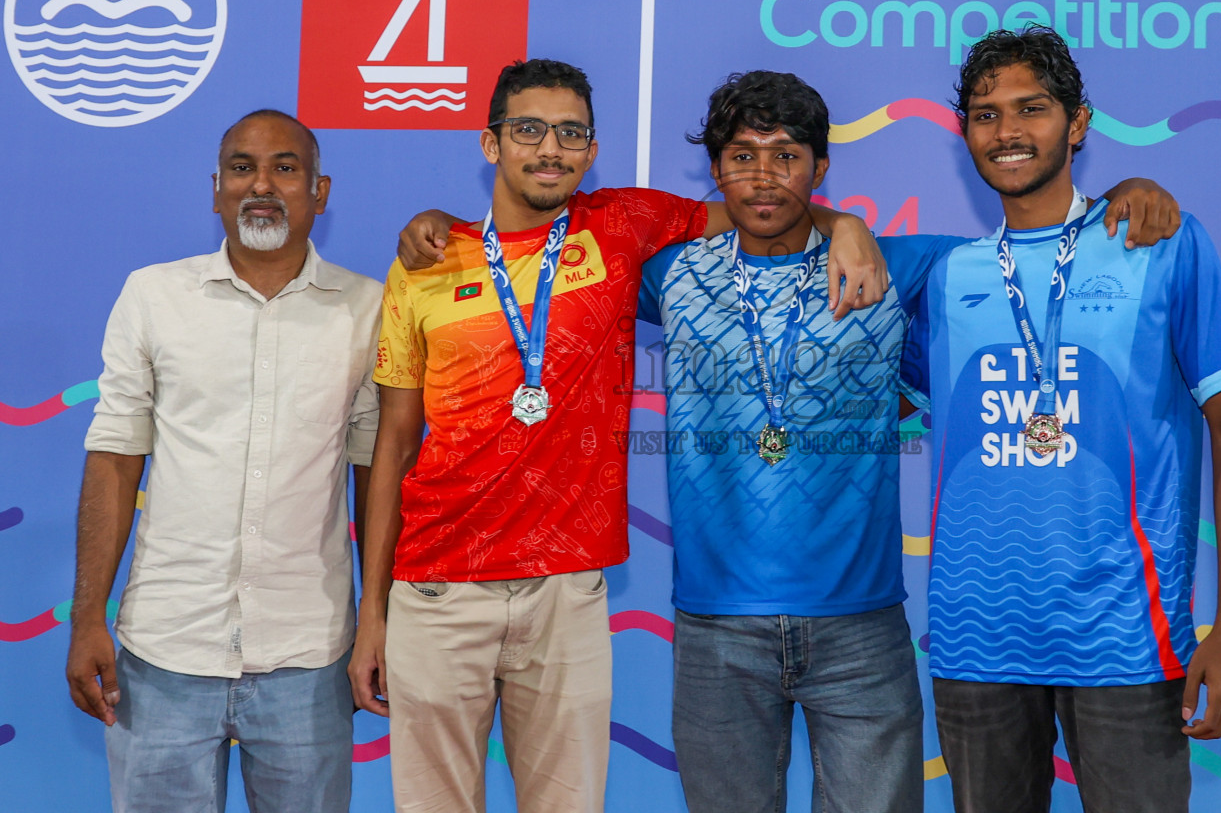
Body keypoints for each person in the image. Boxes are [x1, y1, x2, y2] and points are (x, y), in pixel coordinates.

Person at [350, 59, 887, 813]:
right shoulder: (427, 262)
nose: (550, 148)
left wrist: (850, 226)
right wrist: (371, 611)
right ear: (490, 143)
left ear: (592, 149)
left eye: (572, 133)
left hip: (567, 589)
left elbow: (764, 206)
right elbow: (392, 450)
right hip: (437, 588)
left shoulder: (623, 223)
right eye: (529, 130)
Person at [636, 70, 1181, 812]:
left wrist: (1132, 188)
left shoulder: (905, 267)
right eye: (742, 156)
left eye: (787, 156)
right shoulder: (669, 274)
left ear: (820, 167)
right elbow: (559, 233)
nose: (764, 177)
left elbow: (1032, 243)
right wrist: (840, 221)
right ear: (716, 169)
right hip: (714, 629)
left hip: (861, 631)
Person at [905, 26, 1221, 813]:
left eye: (1030, 109)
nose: (1007, 131)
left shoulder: (1159, 242)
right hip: (977, 640)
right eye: (985, 113)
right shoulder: (944, 276)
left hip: (1126, 637)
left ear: (1078, 123)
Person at [66, 110, 382, 813]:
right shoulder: (153, 297)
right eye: (242, 167)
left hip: (309, 654)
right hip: (165, 654)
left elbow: (374, 476)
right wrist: (88, 617)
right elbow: (115, 461)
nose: (260, 185)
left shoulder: (367, 310)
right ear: (216, 189)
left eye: (285, 168)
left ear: (321, 191)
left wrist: (377, 619)